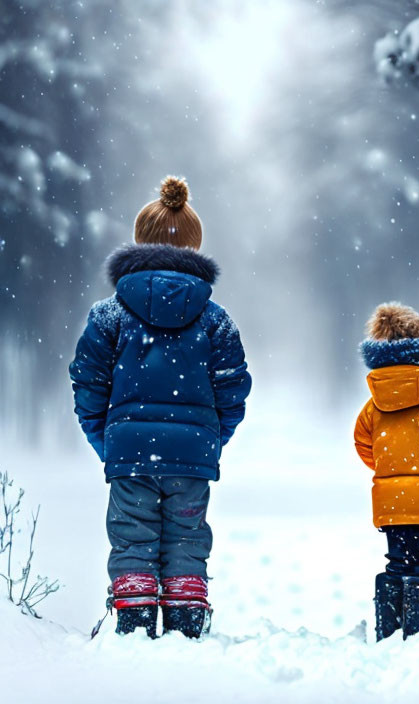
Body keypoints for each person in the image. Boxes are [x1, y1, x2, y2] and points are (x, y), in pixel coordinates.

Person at [70, 176, 251, 638]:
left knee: (132, 535)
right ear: (195, 245)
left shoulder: (110, 314)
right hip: (192, 457)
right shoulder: (215, 317)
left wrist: (107, 438)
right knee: (187, 538)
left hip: (129, 451)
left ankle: (133, 621)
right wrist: (209, 438)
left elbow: (88, 382)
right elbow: (233, 388)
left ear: (138, 240)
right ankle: (187, 622)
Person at [354, 302, 419, 640]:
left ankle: (390, 628)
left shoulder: (375, 402)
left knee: (398, 563)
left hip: (392, 503)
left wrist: (391, 471)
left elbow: (362, 443)